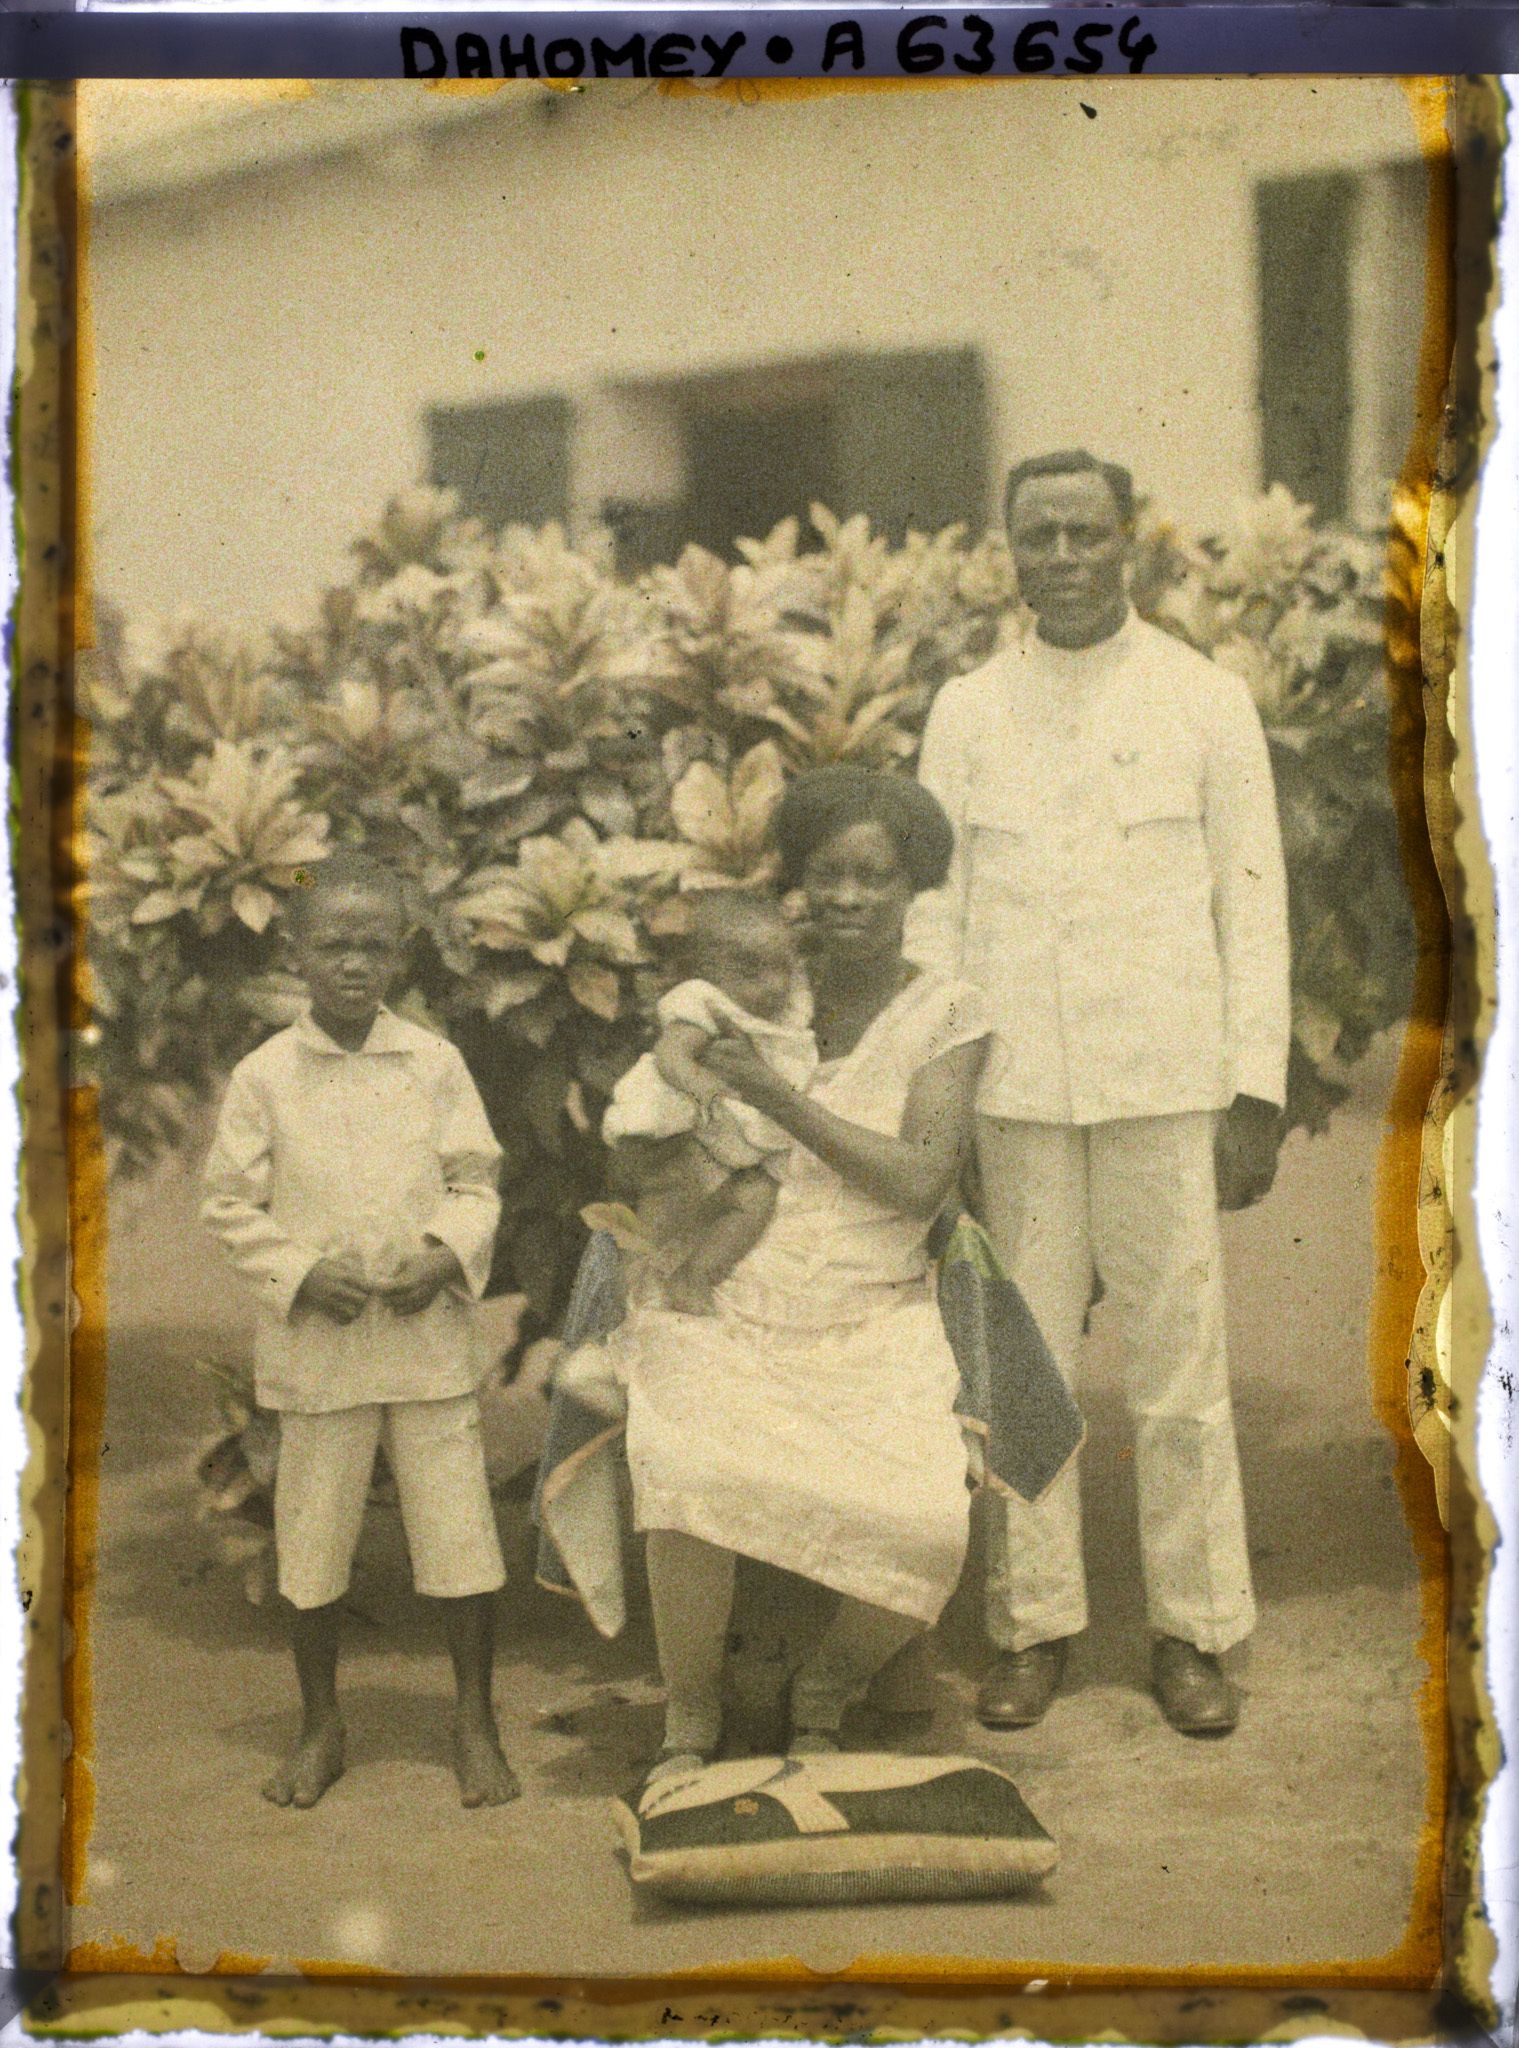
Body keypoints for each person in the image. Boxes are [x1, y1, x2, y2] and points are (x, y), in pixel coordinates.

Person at [907, 449, 1291, 1738]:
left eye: (1085, 532)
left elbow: (1253, 905)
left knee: (1180, 1370)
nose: (1062, 557)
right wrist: (940, 1093)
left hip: (1165, 1082)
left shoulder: (1203, 699)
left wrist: (1252, 1091)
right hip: (1015, 1089)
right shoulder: (968, 710)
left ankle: (1194, 1628)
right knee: (1021, 1368)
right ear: (1010, 550)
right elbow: (935, 916)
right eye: (1039, 535)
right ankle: (1032, 1625)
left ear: (1129, 540)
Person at [597, 768, 991, 1778]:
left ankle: (827, 1684)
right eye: (827, 875)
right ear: (799, 883)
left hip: (873, 1302)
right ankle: (691, 1711)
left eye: (875, 877)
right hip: (735, 1279)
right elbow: (666, 1090)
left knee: (926, 1513)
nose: (848, 898)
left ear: (915, 887)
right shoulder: (759, 979)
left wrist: (772, 1097)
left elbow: (919, 1179)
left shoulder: (948, 1011)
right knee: (687, 1471)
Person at [201, 852, 519, 1809]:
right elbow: (229, 1203)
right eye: (332, 944)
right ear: (294, 952)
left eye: (373, 946)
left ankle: (474, 1723)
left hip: (425, 1344)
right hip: (322, 1347)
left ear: (401, 955)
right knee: (312, 1538)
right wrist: (299, 1274)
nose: (352, 963)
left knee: (459, 1534)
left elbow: (476, 1180)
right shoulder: (265, 1076)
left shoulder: (432, 1062)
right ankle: (319, 1725)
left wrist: (444, 1255)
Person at [601, 890, 817, 1316]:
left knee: (757, 1198)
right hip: (683, 1126)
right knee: (663, 1212)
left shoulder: (786, 1007)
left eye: (783, 967)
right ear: (706, 972)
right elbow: (671, 1056)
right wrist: (706, 1088)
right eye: (751, 971)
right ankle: (620, 1305)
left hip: (731, 1140)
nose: (774, 984)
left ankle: (696, 1276)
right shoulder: (706, 1002)